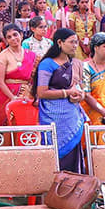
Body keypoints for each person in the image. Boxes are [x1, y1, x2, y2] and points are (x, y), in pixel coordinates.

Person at [34, 28, 87, 172]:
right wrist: (67, 92)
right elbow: (42, 92)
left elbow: (79, 87)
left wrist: (80, 95)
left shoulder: (74, 63)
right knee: (57, 153)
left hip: (71, 115)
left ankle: (75, 190)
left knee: (73, 152)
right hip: (53, 115)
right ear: (59, 42)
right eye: (71, 42)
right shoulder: (47, 64)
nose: (75, 45)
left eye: (76, 42)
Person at [0, 23, 36, 122]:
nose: (13, 38)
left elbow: (35, 78)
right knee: (10, 127)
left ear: (21, 35)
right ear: (6, 40)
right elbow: (0, 81)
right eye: (9, 37)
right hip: (8, 96)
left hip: (28, 95)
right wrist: (13, 98)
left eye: (15, 35)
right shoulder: (2, 56)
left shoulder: (31, 55)